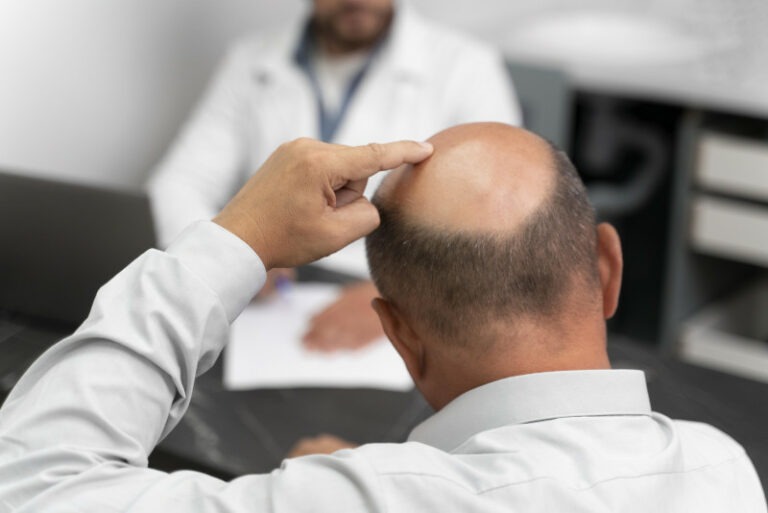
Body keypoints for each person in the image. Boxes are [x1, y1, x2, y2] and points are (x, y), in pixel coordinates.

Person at [0, 125, 764, 512]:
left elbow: (32, 485)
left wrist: (241, 239)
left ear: (397, 333)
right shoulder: (726, 472)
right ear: (607, 268)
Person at [148, 0, 521, 352]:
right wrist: (234, 258)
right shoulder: (250, 60)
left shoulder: (468, 67)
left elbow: (500, 215)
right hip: (270, 307)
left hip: (405, 303)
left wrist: (401, 297)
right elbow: (179, 184)